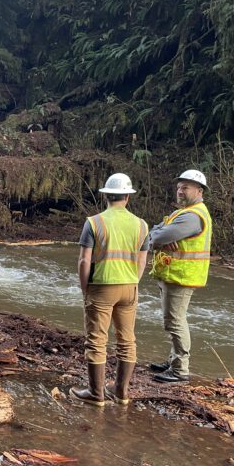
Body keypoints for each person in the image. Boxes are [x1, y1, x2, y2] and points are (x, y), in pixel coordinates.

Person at [70, 173, 149, 406]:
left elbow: (84, 261)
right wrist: (133, 281)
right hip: (130, 286)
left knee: (97, 340)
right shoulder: (141, 225)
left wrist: (85, 288)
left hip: (101, 286)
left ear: (106, 196)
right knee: (127, 340)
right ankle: (121, 392)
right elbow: (143, 261)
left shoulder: (94, 222)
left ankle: (96, 394)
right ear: (127, 197)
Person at [148, 169, 212, 383]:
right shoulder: (184, 212)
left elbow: (159, 235)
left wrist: (159, 237)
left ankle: (179, 370)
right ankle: (174, 360)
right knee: (173, 320)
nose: (180, 191)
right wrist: (158, 235)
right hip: (174, 274)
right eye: (178, 187)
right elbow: (156, 231)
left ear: (199, 190)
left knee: (175, 322)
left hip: (180, 276)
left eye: (185, 187)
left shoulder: (193, 216)